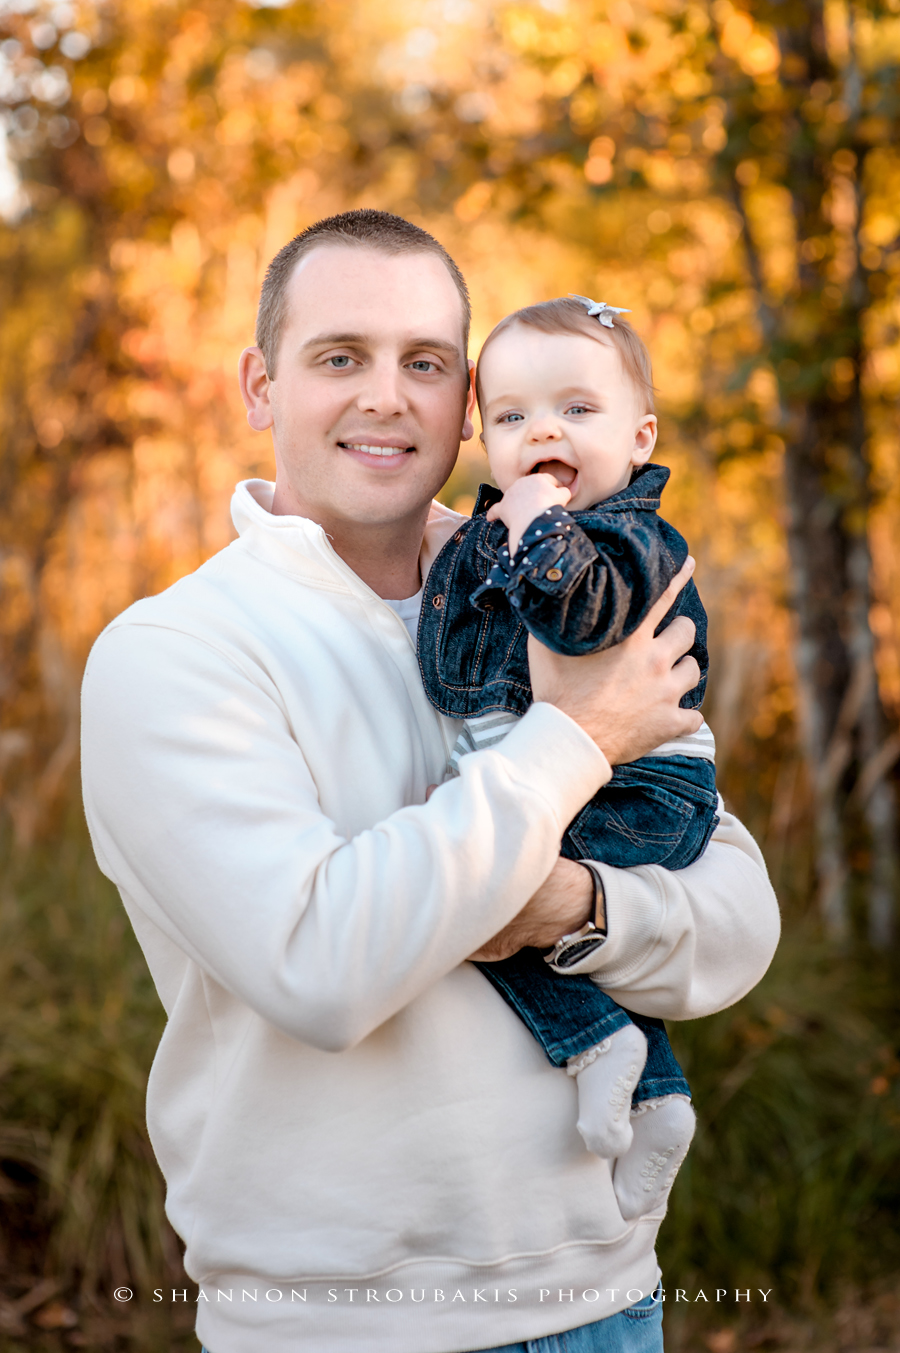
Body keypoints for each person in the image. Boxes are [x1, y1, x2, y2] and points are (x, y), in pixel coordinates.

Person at [80, 209, 780, 1353]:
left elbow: (739, 923)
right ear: (261, 385)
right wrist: (577, 739)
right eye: (339, 357)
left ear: (469, 405)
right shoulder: (173, 652)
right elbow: (321, 967)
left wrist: (578, 907)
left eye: (425, 364)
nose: (385, 397)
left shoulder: (557, 600)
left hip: (607, 1302)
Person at [417, 295, 718, 1220]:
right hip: (587, 775)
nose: (542, 428)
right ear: (482, 439)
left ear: (639, 437)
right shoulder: (489, 537)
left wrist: (536, 527)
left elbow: (582, 615)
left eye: (577, 411)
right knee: (482, 873)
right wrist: (473, 558)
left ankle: (598, 1045)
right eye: (511, 416)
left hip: (646, 784)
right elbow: (455, 671)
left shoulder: (634, 537)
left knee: (482, 877)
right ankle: (657, 1096)